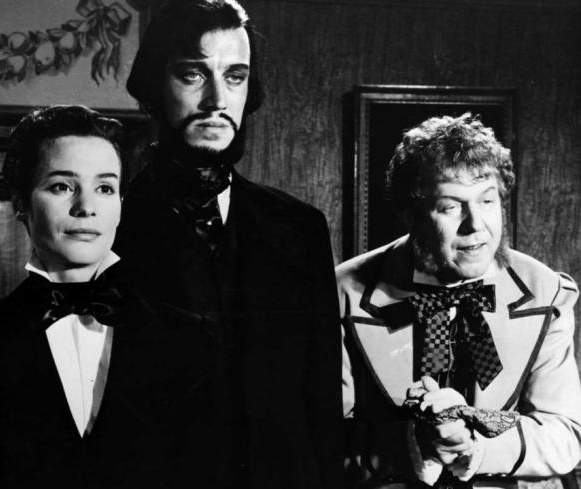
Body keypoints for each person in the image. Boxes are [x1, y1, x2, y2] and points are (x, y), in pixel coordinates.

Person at [0, 105, 218, 489]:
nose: (86, 207)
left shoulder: (189, 340)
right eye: (62, 186)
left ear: (120, 205)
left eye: (105, 188)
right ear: (20, 202)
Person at [113, 1, 343, 487]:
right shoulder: (112, 227)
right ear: (154, 86)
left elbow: (322, 410)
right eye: (193, 74)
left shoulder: (299, 228)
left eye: (235, 77)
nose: (217, 99)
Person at [336, 113, 581, 488]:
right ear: (411, 215)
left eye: (488, 201)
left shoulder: (546, 291)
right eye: (451, 207)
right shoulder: (343, 293)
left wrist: (474, 449)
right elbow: (320, 439)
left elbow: (565, 434)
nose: (476, 226)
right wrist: (415, 444)